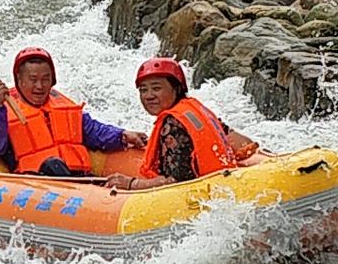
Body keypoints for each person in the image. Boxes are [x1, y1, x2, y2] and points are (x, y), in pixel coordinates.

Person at [0, 47, 145, 176]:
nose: (40, 86)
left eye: (45, 79)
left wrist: (122, 135)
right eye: (33, 80)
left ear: (53, 80)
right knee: (53, 165)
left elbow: (95, 131)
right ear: (19, 81)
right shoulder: (4, 112)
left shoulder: (63, 107)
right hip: (35, 183)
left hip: (77, 180)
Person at [105, 57, 268, 191]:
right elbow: (236, 139)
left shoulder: (172, 125)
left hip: (202, 195)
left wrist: (132, 184)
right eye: (143, 90)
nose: (148, 96)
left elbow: (177, 182)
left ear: (176, 89)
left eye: (156, 88)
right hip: (221, 183)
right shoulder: (195, 109)